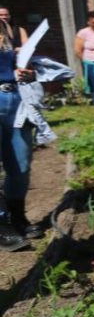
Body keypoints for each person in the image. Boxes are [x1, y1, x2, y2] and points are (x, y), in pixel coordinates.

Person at [0, 17, 42, 250]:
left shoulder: (6, 32)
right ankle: (1, 224)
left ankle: (18, 217)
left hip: (16, 99)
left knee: (21, 164)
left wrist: (28, 72)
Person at [0, 7, 55, 146]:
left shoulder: (18, 30)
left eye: (6, 14)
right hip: (7, 78)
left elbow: (28, 47)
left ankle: (38, 131)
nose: (3, 17)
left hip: (20, 71)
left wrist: (21, 53)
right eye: (1, 15)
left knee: (29, 103)